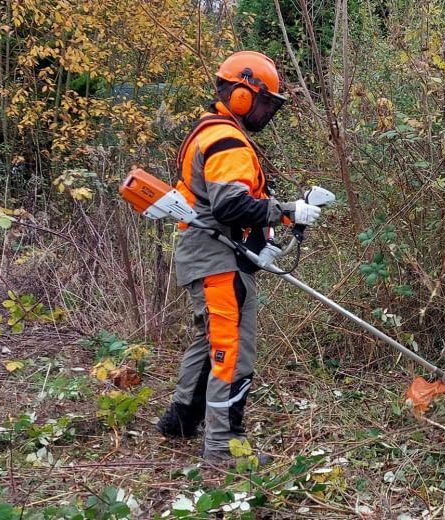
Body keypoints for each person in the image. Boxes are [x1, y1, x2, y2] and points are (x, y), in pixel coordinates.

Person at [156, 51, 321, 464]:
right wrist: (288, 211)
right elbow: (230, 205)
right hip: (218, 262)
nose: (268, 112)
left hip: (208, 254)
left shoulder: (211, 131)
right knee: (232, 351)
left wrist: (265, 236)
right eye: (265, 102)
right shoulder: (227, 139)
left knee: (210, 340)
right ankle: (223, 447)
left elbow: (224, 205)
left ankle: (181, 419)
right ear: (242, 95)